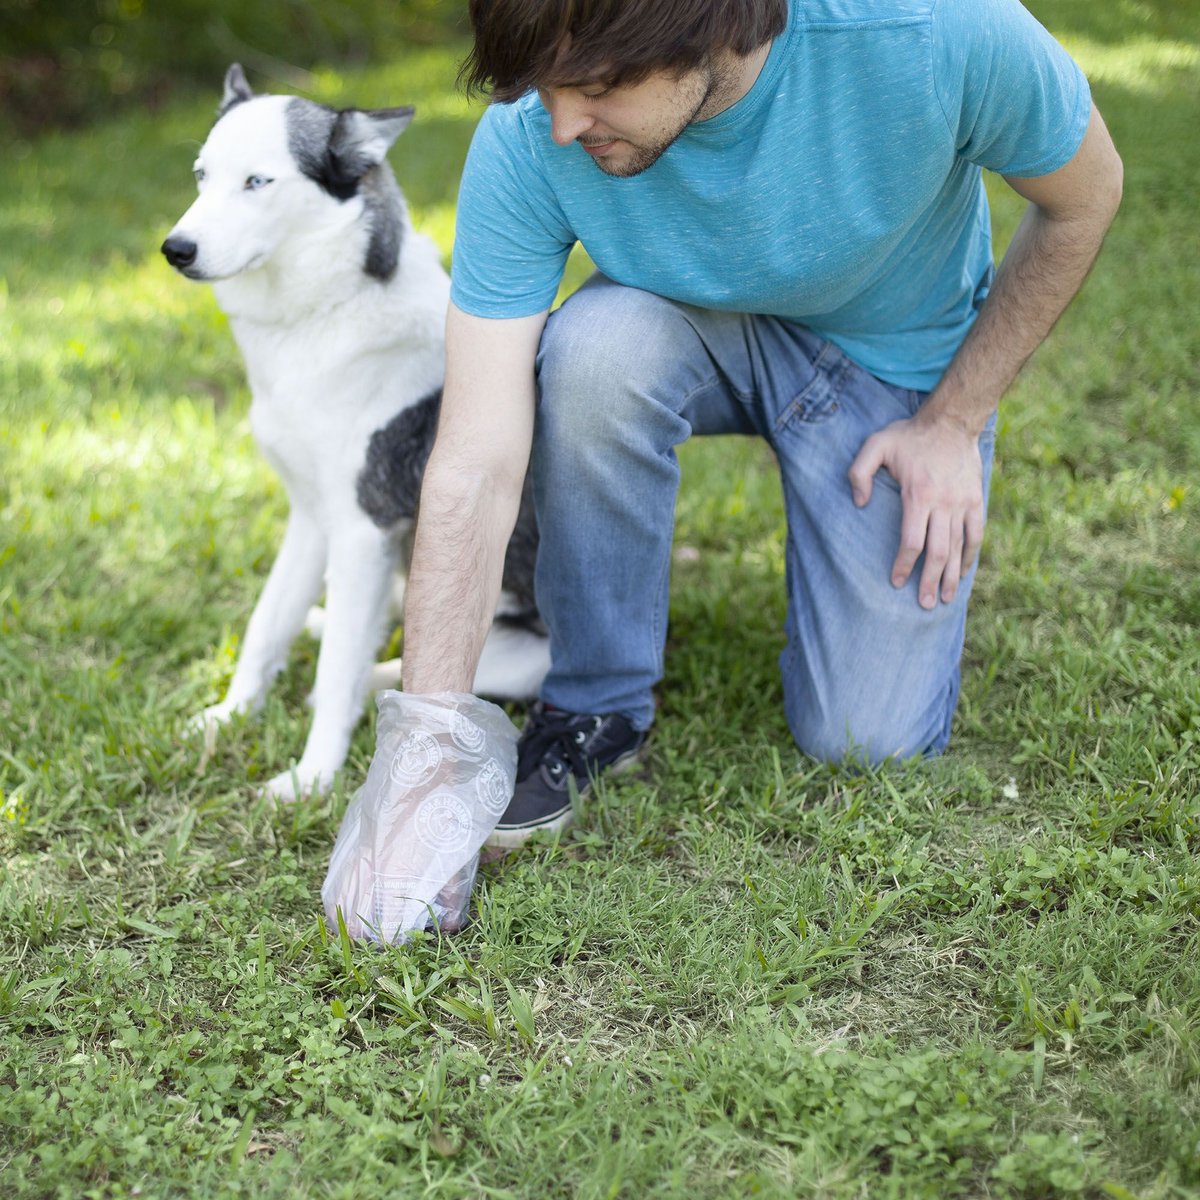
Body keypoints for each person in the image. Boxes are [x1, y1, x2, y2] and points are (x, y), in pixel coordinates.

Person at [392, 0, 1122, 846]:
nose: (560, 125)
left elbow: (1087, 195)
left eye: (593, 87)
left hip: (893, 375)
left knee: (867, 740)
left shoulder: (933, 31)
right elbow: (475, 456)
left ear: (705, 27)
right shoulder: (529, 134)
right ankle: (595, 702)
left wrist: (955, 421)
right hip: (679, 331)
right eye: (546, 89)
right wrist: (424, 756)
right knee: (591, 352)